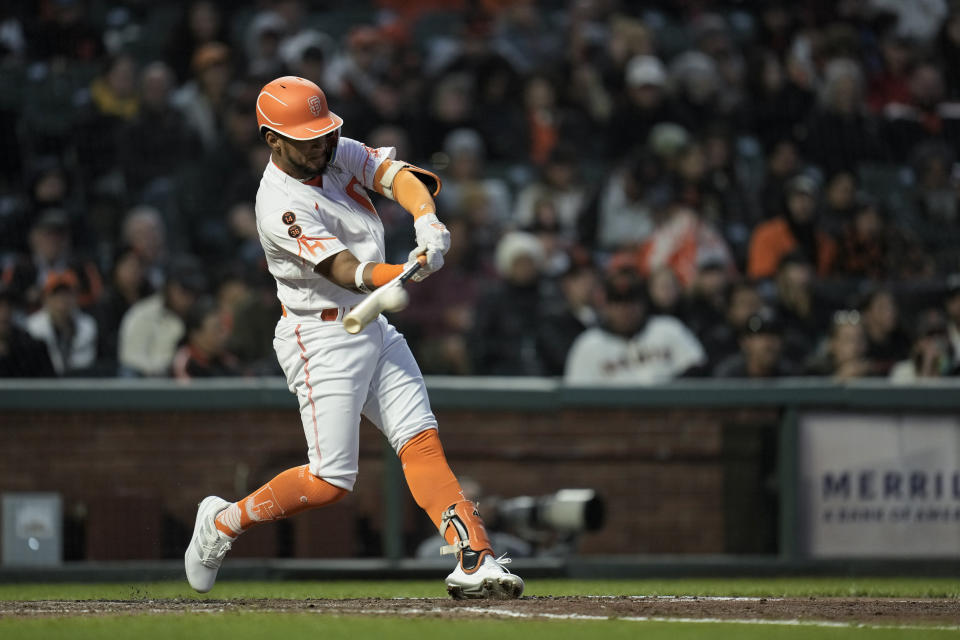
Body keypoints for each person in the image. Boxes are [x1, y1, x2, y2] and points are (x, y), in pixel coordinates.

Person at [184, 76, 523, 600]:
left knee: (420, 438)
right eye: (306, 138)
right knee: (330, 481)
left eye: (323, 133)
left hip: (371, 321)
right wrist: (405, 269)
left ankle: (473, 557)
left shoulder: (332, 148)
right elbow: (345, 270)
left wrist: (427, 219)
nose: (321, 145)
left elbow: (395, 174)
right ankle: (223, 523)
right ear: (272, 139)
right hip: (320, 334)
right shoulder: (278, 204)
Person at [564, 270, 706, 384]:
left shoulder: (667, 328)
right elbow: (578, 395)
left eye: (631, 302)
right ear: (606, 306)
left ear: (643, 304)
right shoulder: (588, 344)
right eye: (618, 302)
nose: (625, 310)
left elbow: (696, 366)